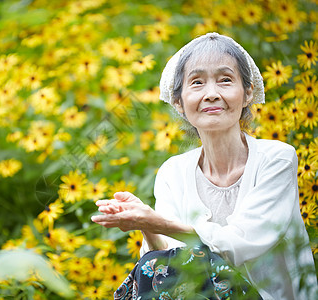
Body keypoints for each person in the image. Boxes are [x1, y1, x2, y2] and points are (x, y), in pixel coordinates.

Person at [91, 32, 317, 299]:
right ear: (179, 102)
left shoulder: (277, 159)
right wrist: (147, 224)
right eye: (197, 82)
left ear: (247, 93)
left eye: (225, 80)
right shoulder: (172, 173)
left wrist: (158, 221)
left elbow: (237, 244)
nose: (211, 94)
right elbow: (170, 262)